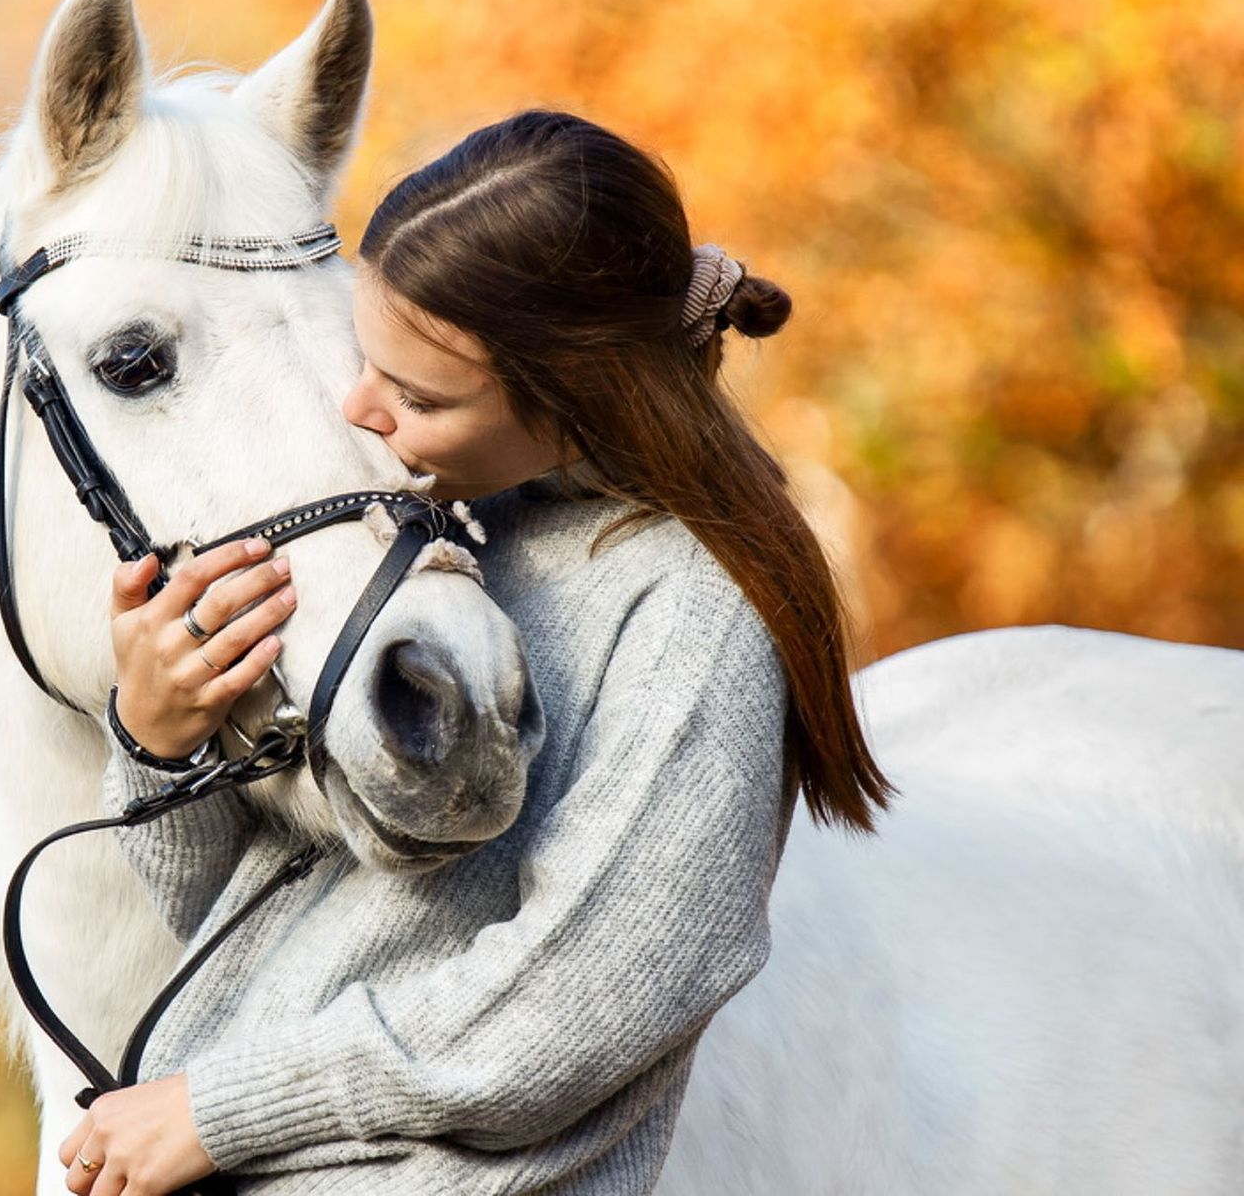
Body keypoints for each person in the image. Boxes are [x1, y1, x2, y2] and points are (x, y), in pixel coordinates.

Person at [56, 108, 898, 1195]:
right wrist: (160, 739)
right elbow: (240, 924)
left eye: (415, 397)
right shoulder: (435, 533)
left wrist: (221, 1110)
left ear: (575, 402)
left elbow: (580, 1007)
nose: (358, 408)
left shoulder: (695, 617)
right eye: (362, 360)